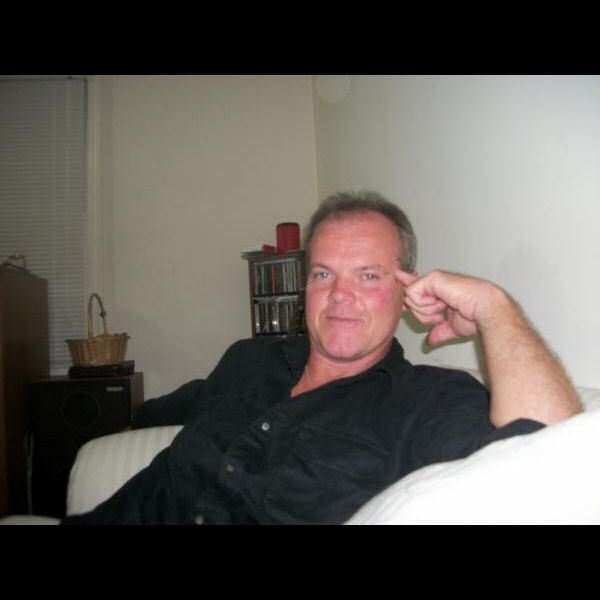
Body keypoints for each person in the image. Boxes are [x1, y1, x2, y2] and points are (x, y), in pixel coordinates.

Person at [61, 191, 581, 525]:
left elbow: (557, 461)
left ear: (407, 293)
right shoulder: (248, 360)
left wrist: (494, 308)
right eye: (324, 274)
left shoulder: (424, 402)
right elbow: (169, 410)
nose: (339, 295)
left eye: (368, 276)